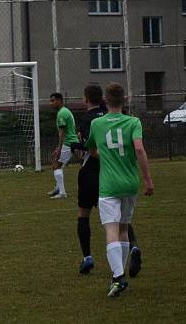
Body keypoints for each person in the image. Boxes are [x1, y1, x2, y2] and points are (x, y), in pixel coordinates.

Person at [84, 83, 154, 297]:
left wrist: (105, 157)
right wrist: (148, 180)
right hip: (130, 184)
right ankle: (120, 273)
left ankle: (118, 277)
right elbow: (139, 149)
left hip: (109, 186)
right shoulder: (133, 121)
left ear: (105, 99)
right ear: (124, 100)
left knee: (111, 229)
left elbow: (91, 149)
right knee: (124, 228)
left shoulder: (97, 123)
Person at [71, 85, 143, 276]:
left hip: (94, 174)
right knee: (121, 220)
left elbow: (87, 147)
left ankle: (88, 257)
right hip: (120, 174)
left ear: (86, 99)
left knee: (84, 215)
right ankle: (133, 247)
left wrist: (75, 145)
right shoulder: (121, 117)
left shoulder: (90, 121)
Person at [48, 92, 78, 199]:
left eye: (53, 101)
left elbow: (62, 132)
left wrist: (59, 148)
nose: (50, 103)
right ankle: (58, 188)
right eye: (50, 101)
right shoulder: (64, 111)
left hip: (68, 143)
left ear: (60, 101)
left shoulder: (62, 113)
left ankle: (62, 193)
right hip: (70, 142)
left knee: (56, 165)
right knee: (56, 165)